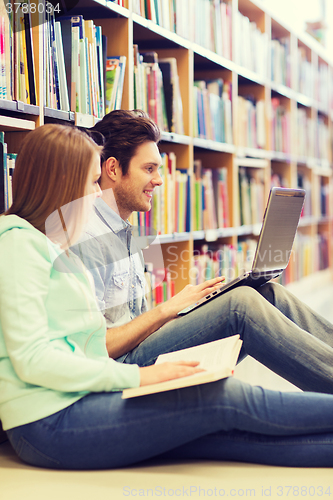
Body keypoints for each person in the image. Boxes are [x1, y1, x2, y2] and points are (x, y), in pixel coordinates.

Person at [3, 123, 333, 470]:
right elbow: (36, 358)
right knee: (221, 398)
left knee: (227, 434)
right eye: (90, 183)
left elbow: (82, 343)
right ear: (62, 186)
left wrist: (175, 318)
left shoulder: (55, 244)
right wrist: (141, 376)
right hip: (51, 419)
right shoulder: (20, 244)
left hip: (80, 396)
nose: (97, 192)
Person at [71, 110, 333, 395]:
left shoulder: (125, 230)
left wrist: (188, 312)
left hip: (142, 348)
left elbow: (136, 322)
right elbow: (96, 347)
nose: (159, 180)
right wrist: (166, 310)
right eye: (149, 169)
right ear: (112, 169)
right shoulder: (86, 238)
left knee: (267, 293)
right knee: (241, 304)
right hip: (126, 369)